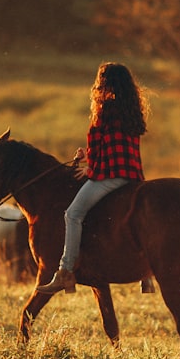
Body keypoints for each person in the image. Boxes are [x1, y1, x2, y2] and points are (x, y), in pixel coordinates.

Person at [36, 62, 149, 295]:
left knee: (73, 214)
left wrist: (91, 169)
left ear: (103, 83)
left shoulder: (106, 111)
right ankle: (147, 276)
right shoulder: (131, 111)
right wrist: (89, 157)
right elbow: (116, 149)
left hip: (110, 176)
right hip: (133, 176)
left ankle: (65, 272)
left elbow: (108, 156)